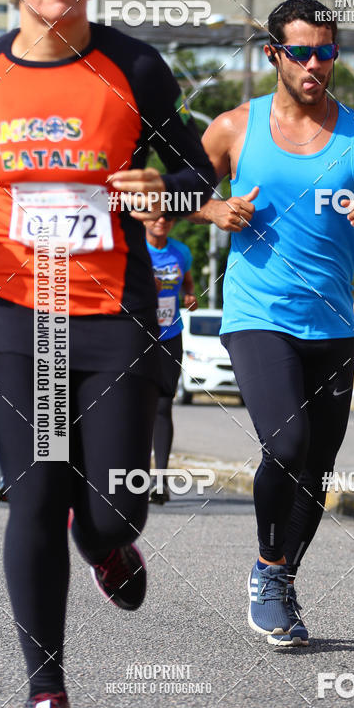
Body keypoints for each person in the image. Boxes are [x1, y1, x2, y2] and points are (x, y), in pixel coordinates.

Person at [0, 0, 215, 708]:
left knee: (111, 509)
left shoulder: (136, 68)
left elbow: (192, 180)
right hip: (12, 311)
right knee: (34, 492)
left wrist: (163, 192)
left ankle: (106, 546)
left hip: (113, 313)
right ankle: (46, 694)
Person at [195, 0, 354, 646]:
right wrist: (213, 211)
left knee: (316, 467)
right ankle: (267, 571)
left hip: (333, 326)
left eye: (325, 51)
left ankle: (283, 579)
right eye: (300, 52)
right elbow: (181, 192)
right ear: (273, 55)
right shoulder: (235, 127)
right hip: (257, 315)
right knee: (285, 446)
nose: (314, 64)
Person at [145, 214, 197, 504]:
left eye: (167, 215)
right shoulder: (134, 248)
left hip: (169, 334)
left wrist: (190, 296)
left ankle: (160, 482)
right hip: (136, 335)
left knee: (163, 406)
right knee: (134, 406)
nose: (161, 220)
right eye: (154, 215)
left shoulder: (181, 252)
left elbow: (188, 284)